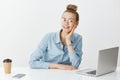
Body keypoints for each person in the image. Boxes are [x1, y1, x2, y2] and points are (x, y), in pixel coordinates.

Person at [29, 4, 83, 70]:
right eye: (64, 19)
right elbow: (32, 62)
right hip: (46, 74)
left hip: (66, 75)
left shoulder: (78, 38)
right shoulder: (49, 37)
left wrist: (68, 41)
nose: (66, 23)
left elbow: (76, 64)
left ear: (76, 24)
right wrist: (58, 66)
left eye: (70, 21)